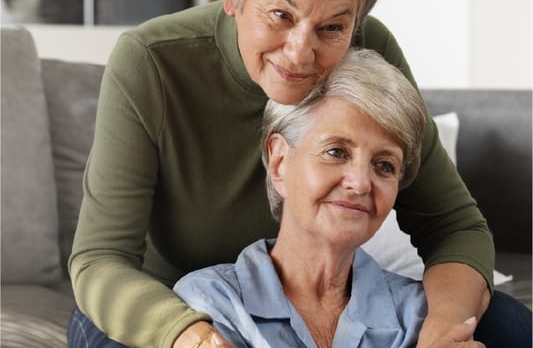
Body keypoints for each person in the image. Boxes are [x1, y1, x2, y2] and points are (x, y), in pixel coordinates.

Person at [66, 0, 530, 347]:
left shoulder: (370, 49)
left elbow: (453, 225)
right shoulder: (151, 61)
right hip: (171, 306)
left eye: (332, 28)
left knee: (504, 324)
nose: (300, 52)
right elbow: (99, 260)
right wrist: (189, 333)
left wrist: (442, 332)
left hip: (311, 298)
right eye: (281, 15)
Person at [173, 48, 482, 347]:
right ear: (280, 162)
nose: (361, 183)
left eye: (384, 165)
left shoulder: (420, 317)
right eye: (336, 152)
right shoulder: (209, 304)